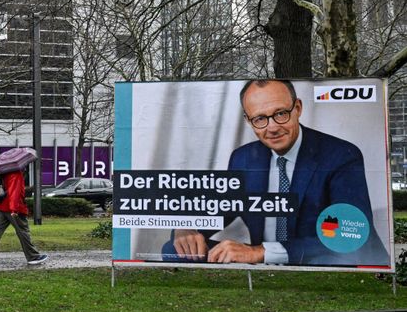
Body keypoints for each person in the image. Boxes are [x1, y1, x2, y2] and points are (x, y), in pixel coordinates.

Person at [164, 79, 388, 266]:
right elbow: (224, 207)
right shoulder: (243, 158)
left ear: (297, 108)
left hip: (322, 261)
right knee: (176, 248)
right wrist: (189, 225)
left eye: (280, 114)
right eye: (260, 119)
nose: (272, 127)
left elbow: (351, 234)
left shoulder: (341, 155)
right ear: (248, 121)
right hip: (264, 265)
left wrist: (259, 252)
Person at [0, 167, 48, 266]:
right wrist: (14, 209)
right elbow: (14, 193)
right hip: (13, 208)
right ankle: (33, 257)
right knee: (23, 231)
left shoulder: (4, 172)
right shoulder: (16, 175)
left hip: (2, 207)